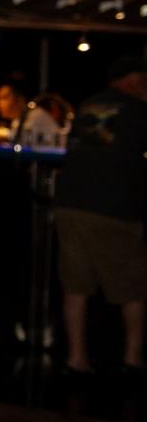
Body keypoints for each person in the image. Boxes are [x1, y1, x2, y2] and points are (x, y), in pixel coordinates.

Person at [54, 55, 147, 375]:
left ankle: (76, 358)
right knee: (132, 285)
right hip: (113, 206)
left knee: (76, 284)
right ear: (134, 79)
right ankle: (132, 358)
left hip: (70, 203)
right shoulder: (137, 110)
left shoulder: (89, 105)